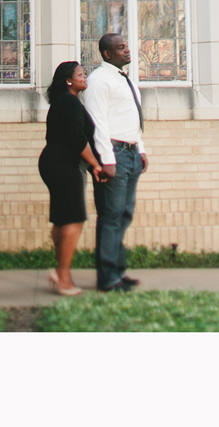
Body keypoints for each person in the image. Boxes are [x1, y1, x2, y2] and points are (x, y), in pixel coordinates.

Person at [82, 33, 148, 293]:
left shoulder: (122, 79)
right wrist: (107, 160)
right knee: (111, 216)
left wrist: (140, 150)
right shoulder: (99, 81)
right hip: (114, 154)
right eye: (121, 48)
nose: (127, 51)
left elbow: (130, 117)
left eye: (127, 46)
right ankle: (108, 278)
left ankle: (118, 273)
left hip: (130, 154)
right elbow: (97, 123)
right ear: (107, 54)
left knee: (124, 214)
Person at [38, 60, 106, 296]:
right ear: (68, 80)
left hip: (56, 163)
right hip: (63, 165)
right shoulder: (68, 102)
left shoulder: (66, 101)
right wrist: (96, 165)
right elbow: (78, 139)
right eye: (80, 74)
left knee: (62, 219)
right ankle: (63, 278)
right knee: (74, 220)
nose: (85, 76)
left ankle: (60, 272)